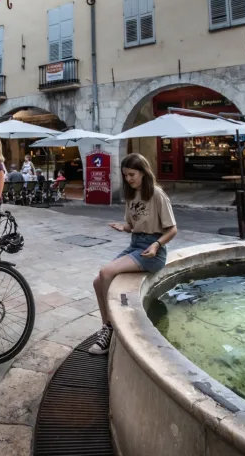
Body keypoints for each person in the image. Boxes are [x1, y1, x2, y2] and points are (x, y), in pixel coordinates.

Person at [89, 153, 178, 356]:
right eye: (126, 176)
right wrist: (124, 227)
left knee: (106, 272)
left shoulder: (157, 195)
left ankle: (111, 328)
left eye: (132, 174)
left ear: (143, 172)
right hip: (136, 243)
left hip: (152, 250)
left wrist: (156, 245)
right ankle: (107, 327)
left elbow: (172, 230)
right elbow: (132, 224)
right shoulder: (131, 195)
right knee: (97, 282)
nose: (129, 179)